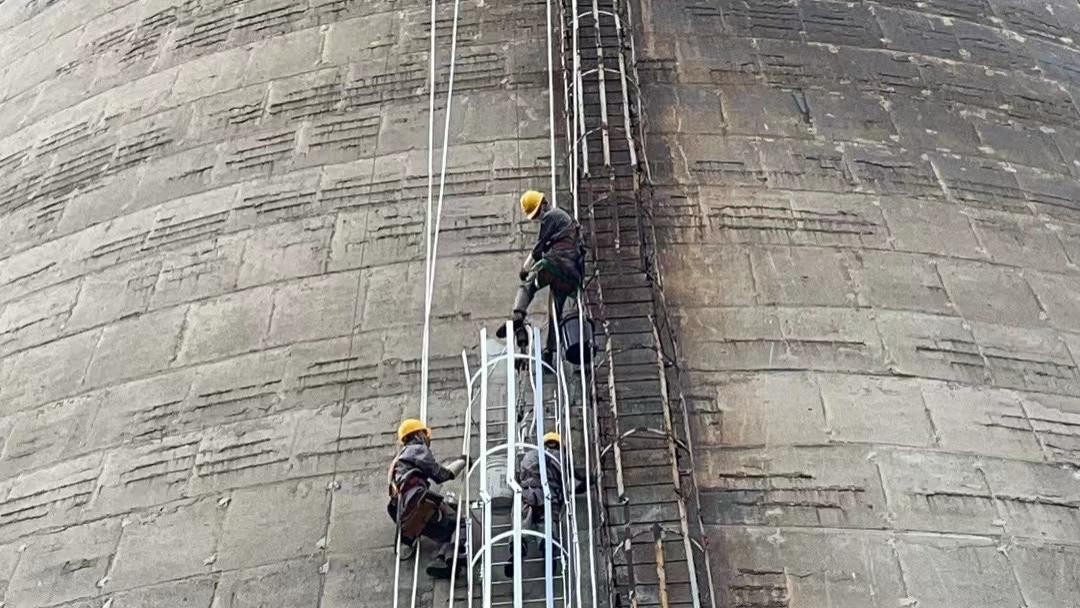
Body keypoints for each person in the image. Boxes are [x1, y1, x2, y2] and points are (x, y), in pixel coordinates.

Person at [498, 191, 585, 366]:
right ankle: (549, 352)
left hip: (556, 262)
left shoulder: (553, 215)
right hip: (569, 275)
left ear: (543, 204)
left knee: (528, 284)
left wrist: (525, 268)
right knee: (555, 311)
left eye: (537, 213)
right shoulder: (564, 221)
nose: (538, 218)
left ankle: (517, 315)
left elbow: (539, 247)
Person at [387, 418, 469, 579]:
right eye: (425, 434)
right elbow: (441, 475)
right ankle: (452, 556)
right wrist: (463, 461)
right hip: (418, 500)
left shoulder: (397, 462)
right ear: (418, 434)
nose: (428, 438)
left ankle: (443, 562)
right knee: (461, 522)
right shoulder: (416, 449)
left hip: (403, 513)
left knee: (448, 530)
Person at [504, 431, 587, 576]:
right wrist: (587, 481)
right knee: (547, 526)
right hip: (549, 497)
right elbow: (572, 481)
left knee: (521, 521)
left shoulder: (529, 456)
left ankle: (518, 547)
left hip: (527, 494)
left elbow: (517, 478)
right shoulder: (559, 457)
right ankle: (547, 552)